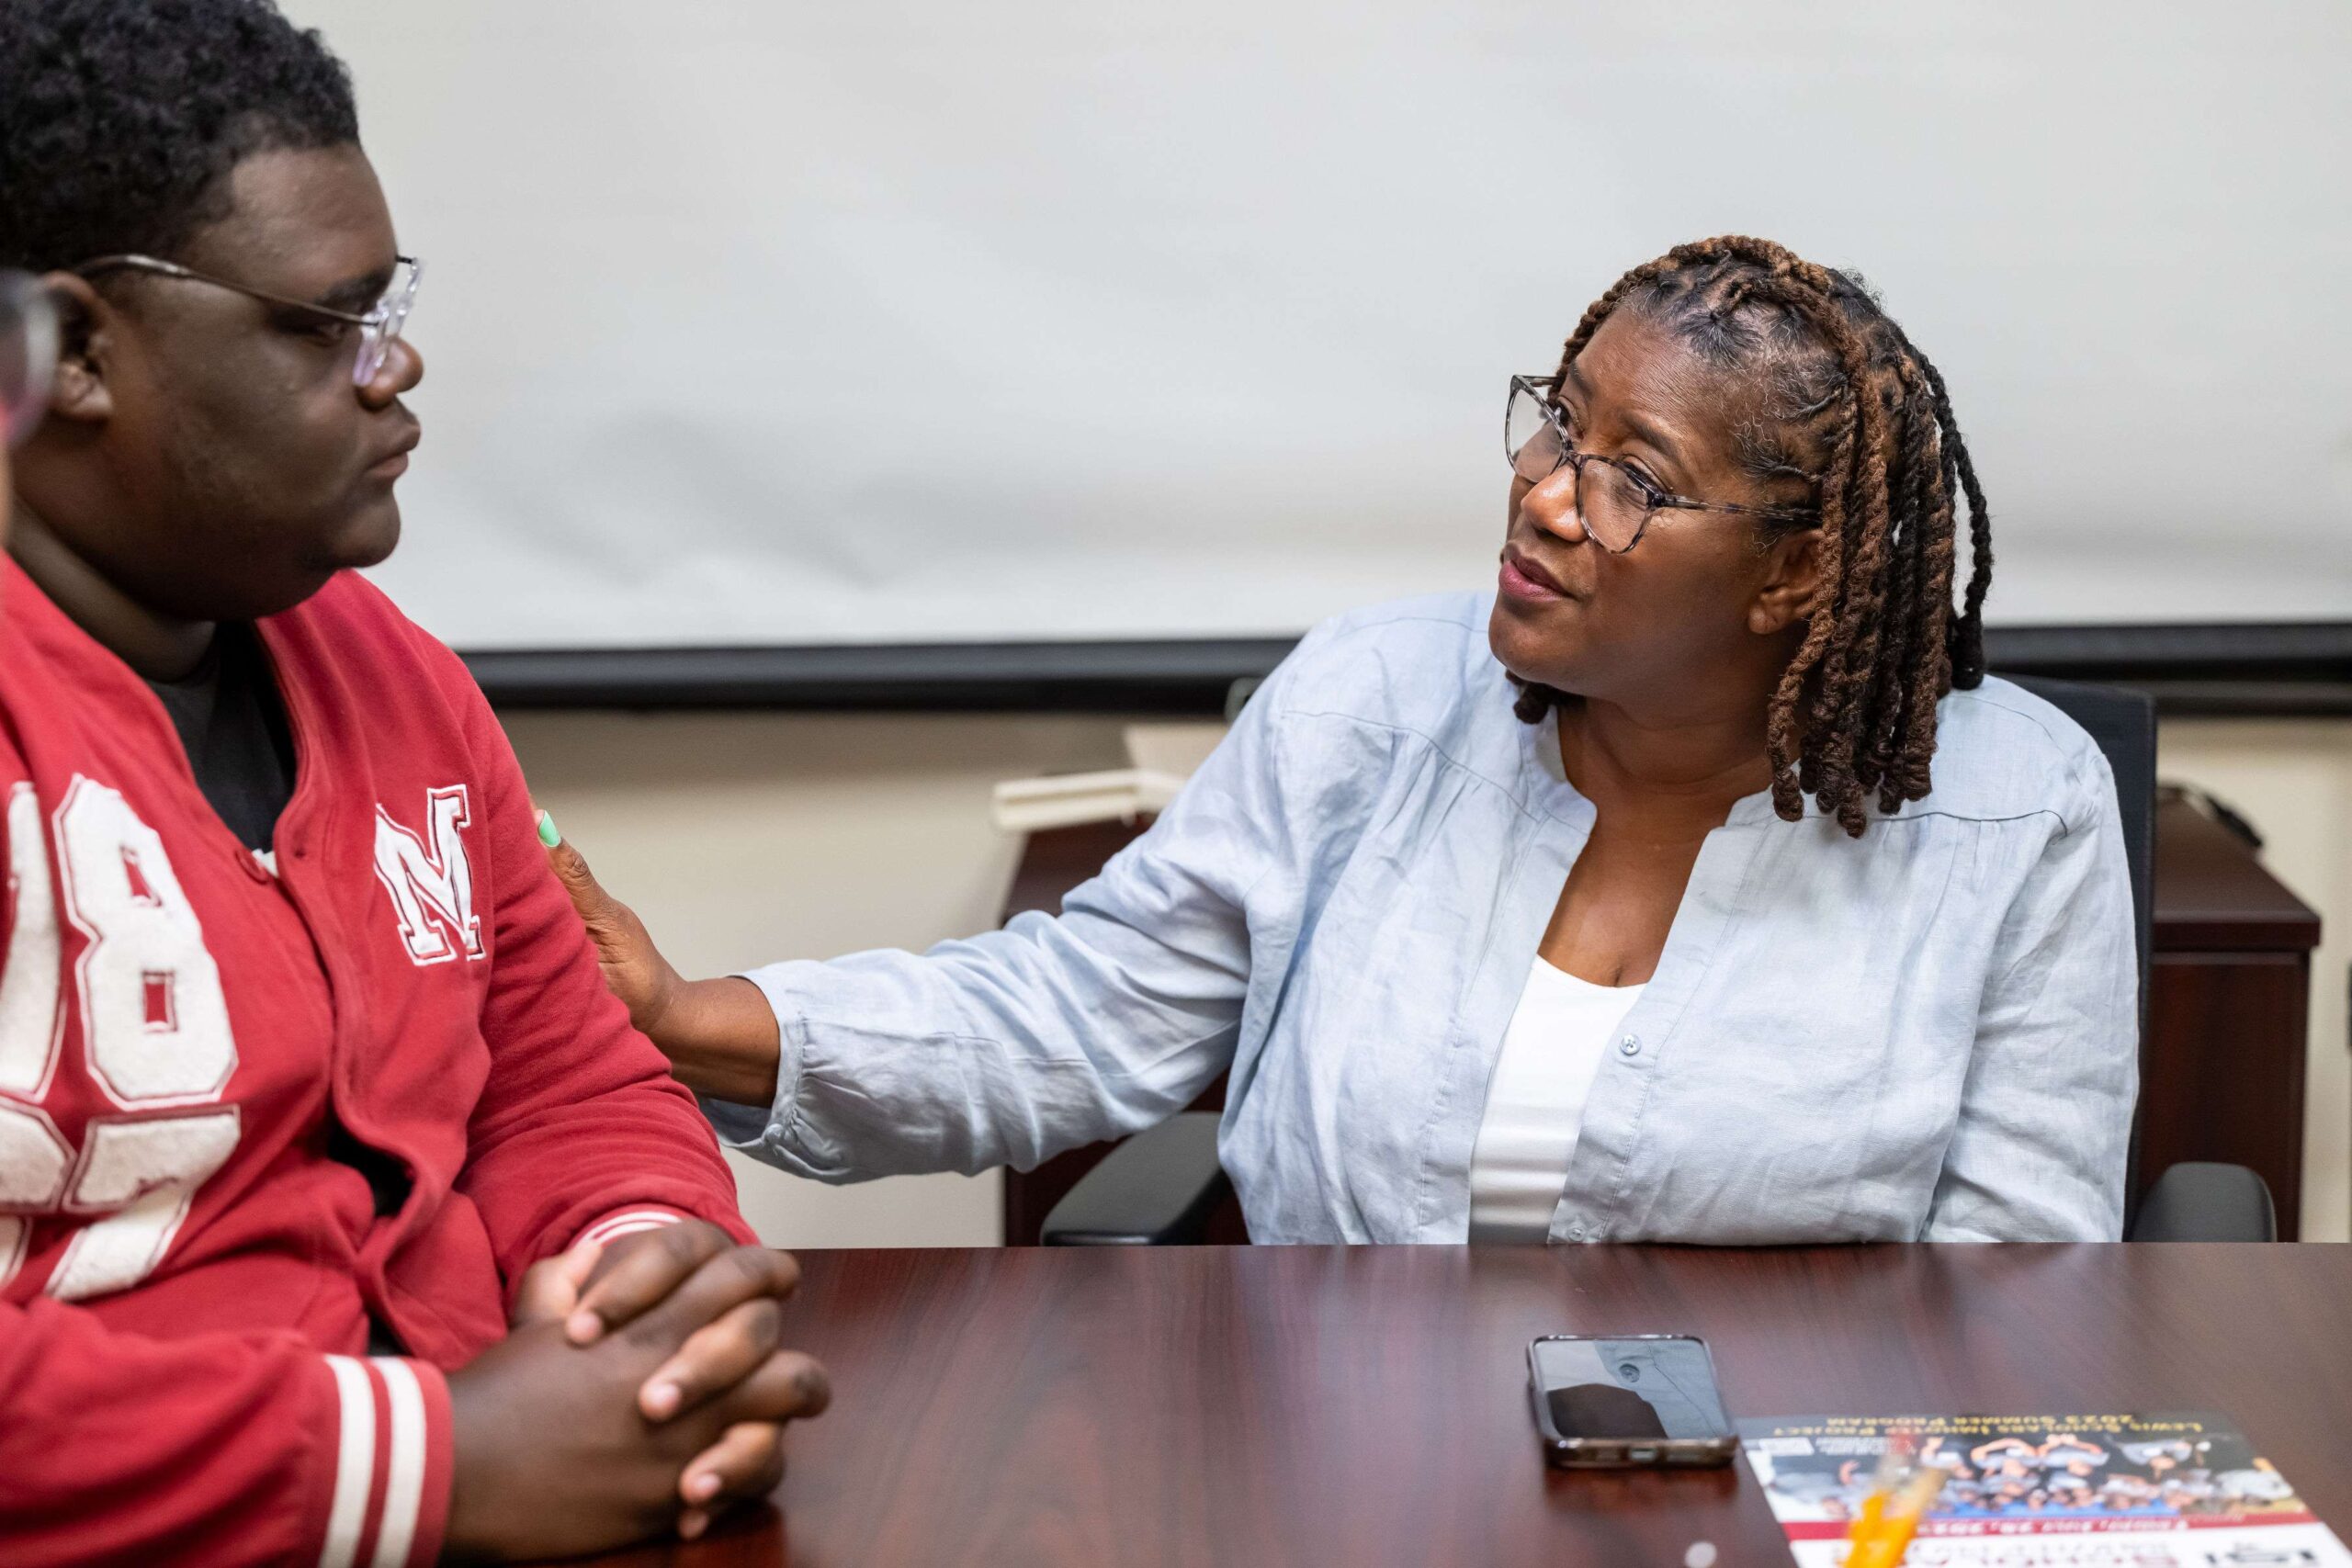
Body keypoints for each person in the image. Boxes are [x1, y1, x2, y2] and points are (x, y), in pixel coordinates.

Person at [555, 237, 2136, 1247]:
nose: (1544, 488)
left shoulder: (2019, 809)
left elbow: (2019, 1282)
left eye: (1631, 477)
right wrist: (692, 1017)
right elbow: (1081, 1011)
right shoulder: (1374, 700)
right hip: (1340, 1456)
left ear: (1797, 573)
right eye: (1557, 420)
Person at [0, 4, 824, 1561]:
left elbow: (567, 1080)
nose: (397, 365)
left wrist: (645, 1289)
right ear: (80, 352)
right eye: (324, 322)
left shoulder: (388, 671)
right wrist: (431, 1467)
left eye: (392, 305)